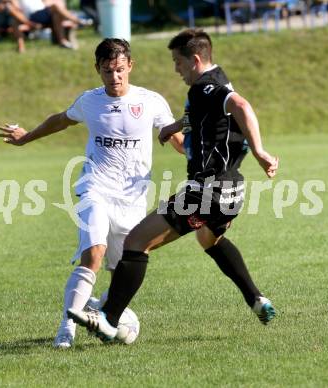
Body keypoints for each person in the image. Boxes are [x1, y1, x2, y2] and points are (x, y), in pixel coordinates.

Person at [67, 28, 279, 341]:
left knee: (137, 243)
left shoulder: (204, 87)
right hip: (233, 190)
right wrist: (174, 127)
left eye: (178, 62)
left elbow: (241, 106)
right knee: (209, 239)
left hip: (206, 190)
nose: (175, 69)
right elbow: (205, 113)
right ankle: (256, 299)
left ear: (194, 60)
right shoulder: (218, 79)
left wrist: (260, 150)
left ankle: (108, 318)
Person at [0, 38, 183, 348]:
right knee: (93, 254)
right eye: (108, 71)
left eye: (120, 70)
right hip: (95, 189)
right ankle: (66, 329)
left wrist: (200, 158)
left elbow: (174, 137)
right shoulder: (90, 101)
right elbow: (60, 120)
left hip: (133, 200)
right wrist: (25, 137)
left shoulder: (150, 101)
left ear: (130, 66)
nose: (115, 78)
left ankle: (97, 310)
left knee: (123, 270)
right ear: (97, 69)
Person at [17, 0, 86, 49]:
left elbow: (45, 3)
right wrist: (28, 22)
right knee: (55, 6)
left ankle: (63, 42)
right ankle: (77, 21)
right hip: (33, 16)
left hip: (44, 13)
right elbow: (16, 10)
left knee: (56, 13)